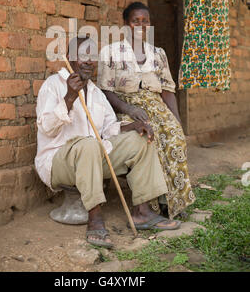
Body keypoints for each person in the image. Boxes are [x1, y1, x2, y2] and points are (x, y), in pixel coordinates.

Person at [35, 36, 180, 249]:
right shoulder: (53, 85)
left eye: (93, 56)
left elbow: (109, 129)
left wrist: (132, 127)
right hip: (58, 163)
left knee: (140, 140)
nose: (89, 61)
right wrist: (69, 98)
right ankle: (95, 220)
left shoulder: (95, 92)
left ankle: (143, 212)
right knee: (89, 144)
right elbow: (46, 126)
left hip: (93, 156)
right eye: (83, 55)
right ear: (69, 58)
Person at [97, 2, 196, 221]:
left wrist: (176, 121)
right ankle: (153, 202)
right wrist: (128, 108)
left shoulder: (158, 54)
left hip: (158, 107)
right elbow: (105, 89)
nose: (141, 25)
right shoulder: (111, 52)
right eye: (135, 21)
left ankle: (173, 202)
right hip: (128, 108)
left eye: (145, 21)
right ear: (125, 24)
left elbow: (168, 91)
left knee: (174, 138)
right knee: (149, 139)